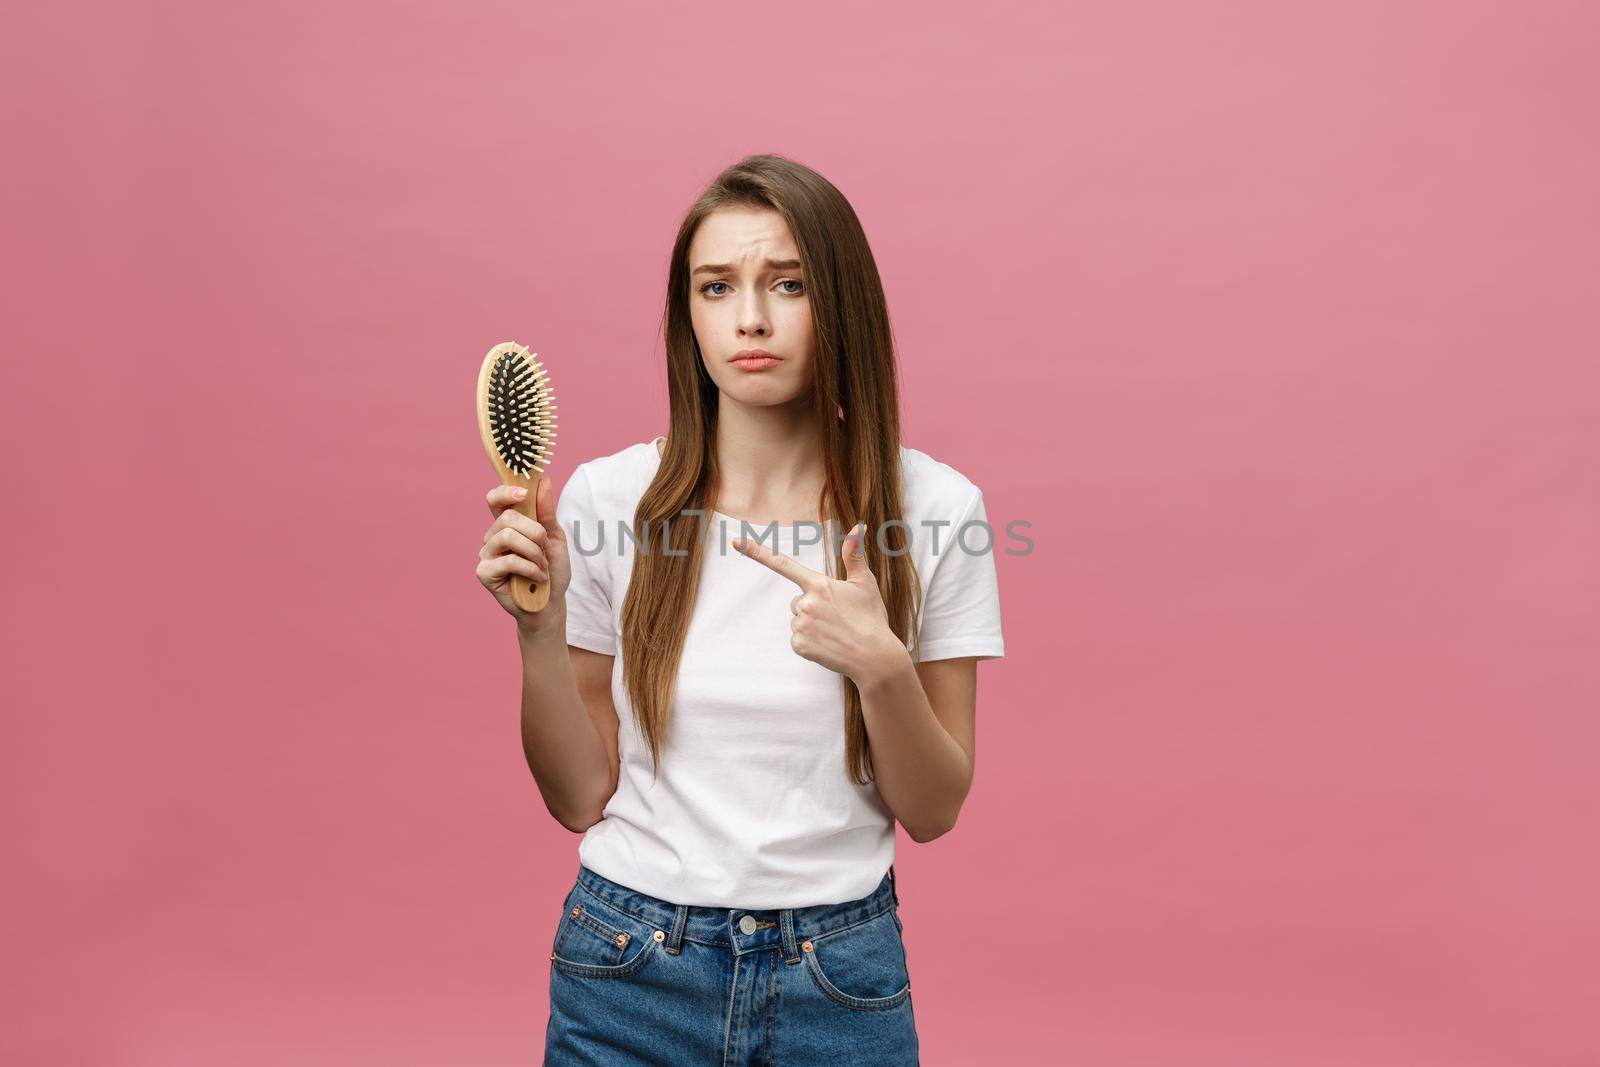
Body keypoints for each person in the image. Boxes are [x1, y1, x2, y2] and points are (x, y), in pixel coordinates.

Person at [475, 154, 1004, 1066]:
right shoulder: (610, 501)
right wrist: (538, 632)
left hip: (838, 977)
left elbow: (934, 809)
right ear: (689, 312)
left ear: (839, 300)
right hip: (629, 968)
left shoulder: (937, 510)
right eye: (716, 286)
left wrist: (878, 666)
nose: (750, 318)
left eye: (787, 283)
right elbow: (577, 797)